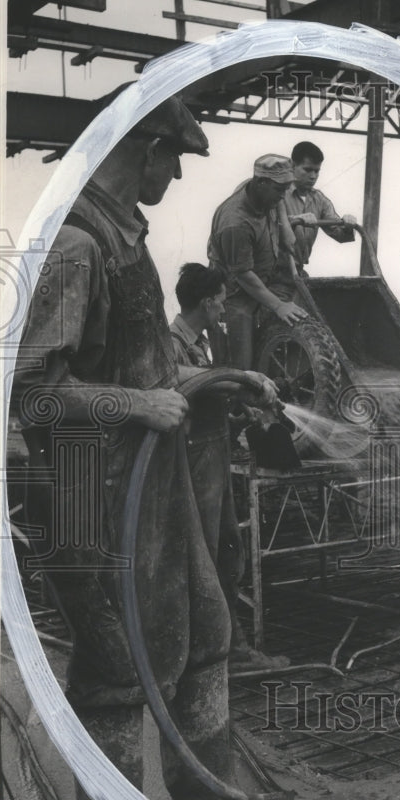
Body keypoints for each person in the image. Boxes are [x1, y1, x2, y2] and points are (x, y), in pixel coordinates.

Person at [11, 93, 299, 800]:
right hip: (90, 493)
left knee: (203, 634)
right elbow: (28, 390)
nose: (175, 175)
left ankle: (207, 789)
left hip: (152, 492)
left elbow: (148, 362)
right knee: (117, 664)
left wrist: (221, 376)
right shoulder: (75, 245)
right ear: (143, 148)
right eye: (173, 158)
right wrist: (140, 403)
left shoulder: (125, 238)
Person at [169, 263, 289, 668]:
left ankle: (229, 649)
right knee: (200, 554)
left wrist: (240, 413)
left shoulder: (201, 341)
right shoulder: (169, 343)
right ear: (206, 301)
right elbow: (184, 382)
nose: (224, 307)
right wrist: (244, 378)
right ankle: (200, 654)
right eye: (221, 299)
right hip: (192, 461)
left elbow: (209, 392)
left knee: (227, 554)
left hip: (215, 455)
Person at [207, 154, 308, 371]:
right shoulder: (235, 223)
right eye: (279, 190)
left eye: (285, 189)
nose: (283, 197)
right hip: (233, 298)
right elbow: (243, 275)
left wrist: (285, 225)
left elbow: (279, 200)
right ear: (261, 182)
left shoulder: (259, 190)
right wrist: (278, 305)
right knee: (240, 370)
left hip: (260, 287)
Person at [284, 141, 357, 272]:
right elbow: (267, 226)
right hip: (271, 271)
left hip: (297, 271)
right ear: (292, 166)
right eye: (307, 170)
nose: (313, 176)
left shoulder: (319, 200)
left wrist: (347, 224)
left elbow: (341, 235)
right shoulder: (278, 194)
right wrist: (296, 219)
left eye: (316, 171)